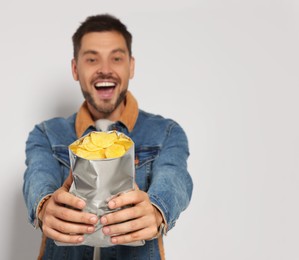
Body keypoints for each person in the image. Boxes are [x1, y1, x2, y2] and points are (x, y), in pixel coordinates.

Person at [23, 14, 193, 260]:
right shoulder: (47, 134)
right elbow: (37, 177)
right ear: (75, 68)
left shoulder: (166, 133)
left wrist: (157, 210)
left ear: (131, 66)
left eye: (116, 58)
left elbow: (175, 177)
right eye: (92, 59)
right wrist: (44, 206)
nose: (105, 69)